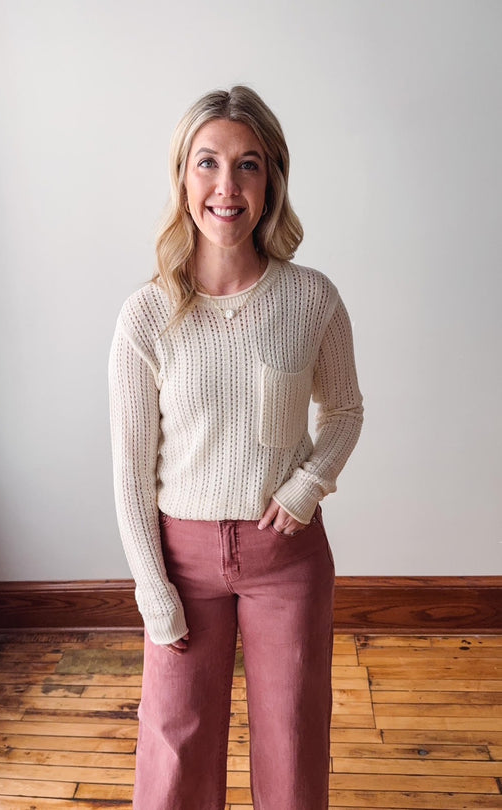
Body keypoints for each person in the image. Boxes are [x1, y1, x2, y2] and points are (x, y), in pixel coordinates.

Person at [109, 85, 363, 810]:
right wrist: (153, 592)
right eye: (208, 163)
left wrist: (306, 484)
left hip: (285, 558)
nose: (227, 186)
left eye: (248, 165)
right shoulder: (146, 315)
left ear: (272, 180)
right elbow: (129, 476)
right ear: (182, 177)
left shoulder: (311, 299)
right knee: (174, 744)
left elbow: (343, 410)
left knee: (291, 740)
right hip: (180, 561)